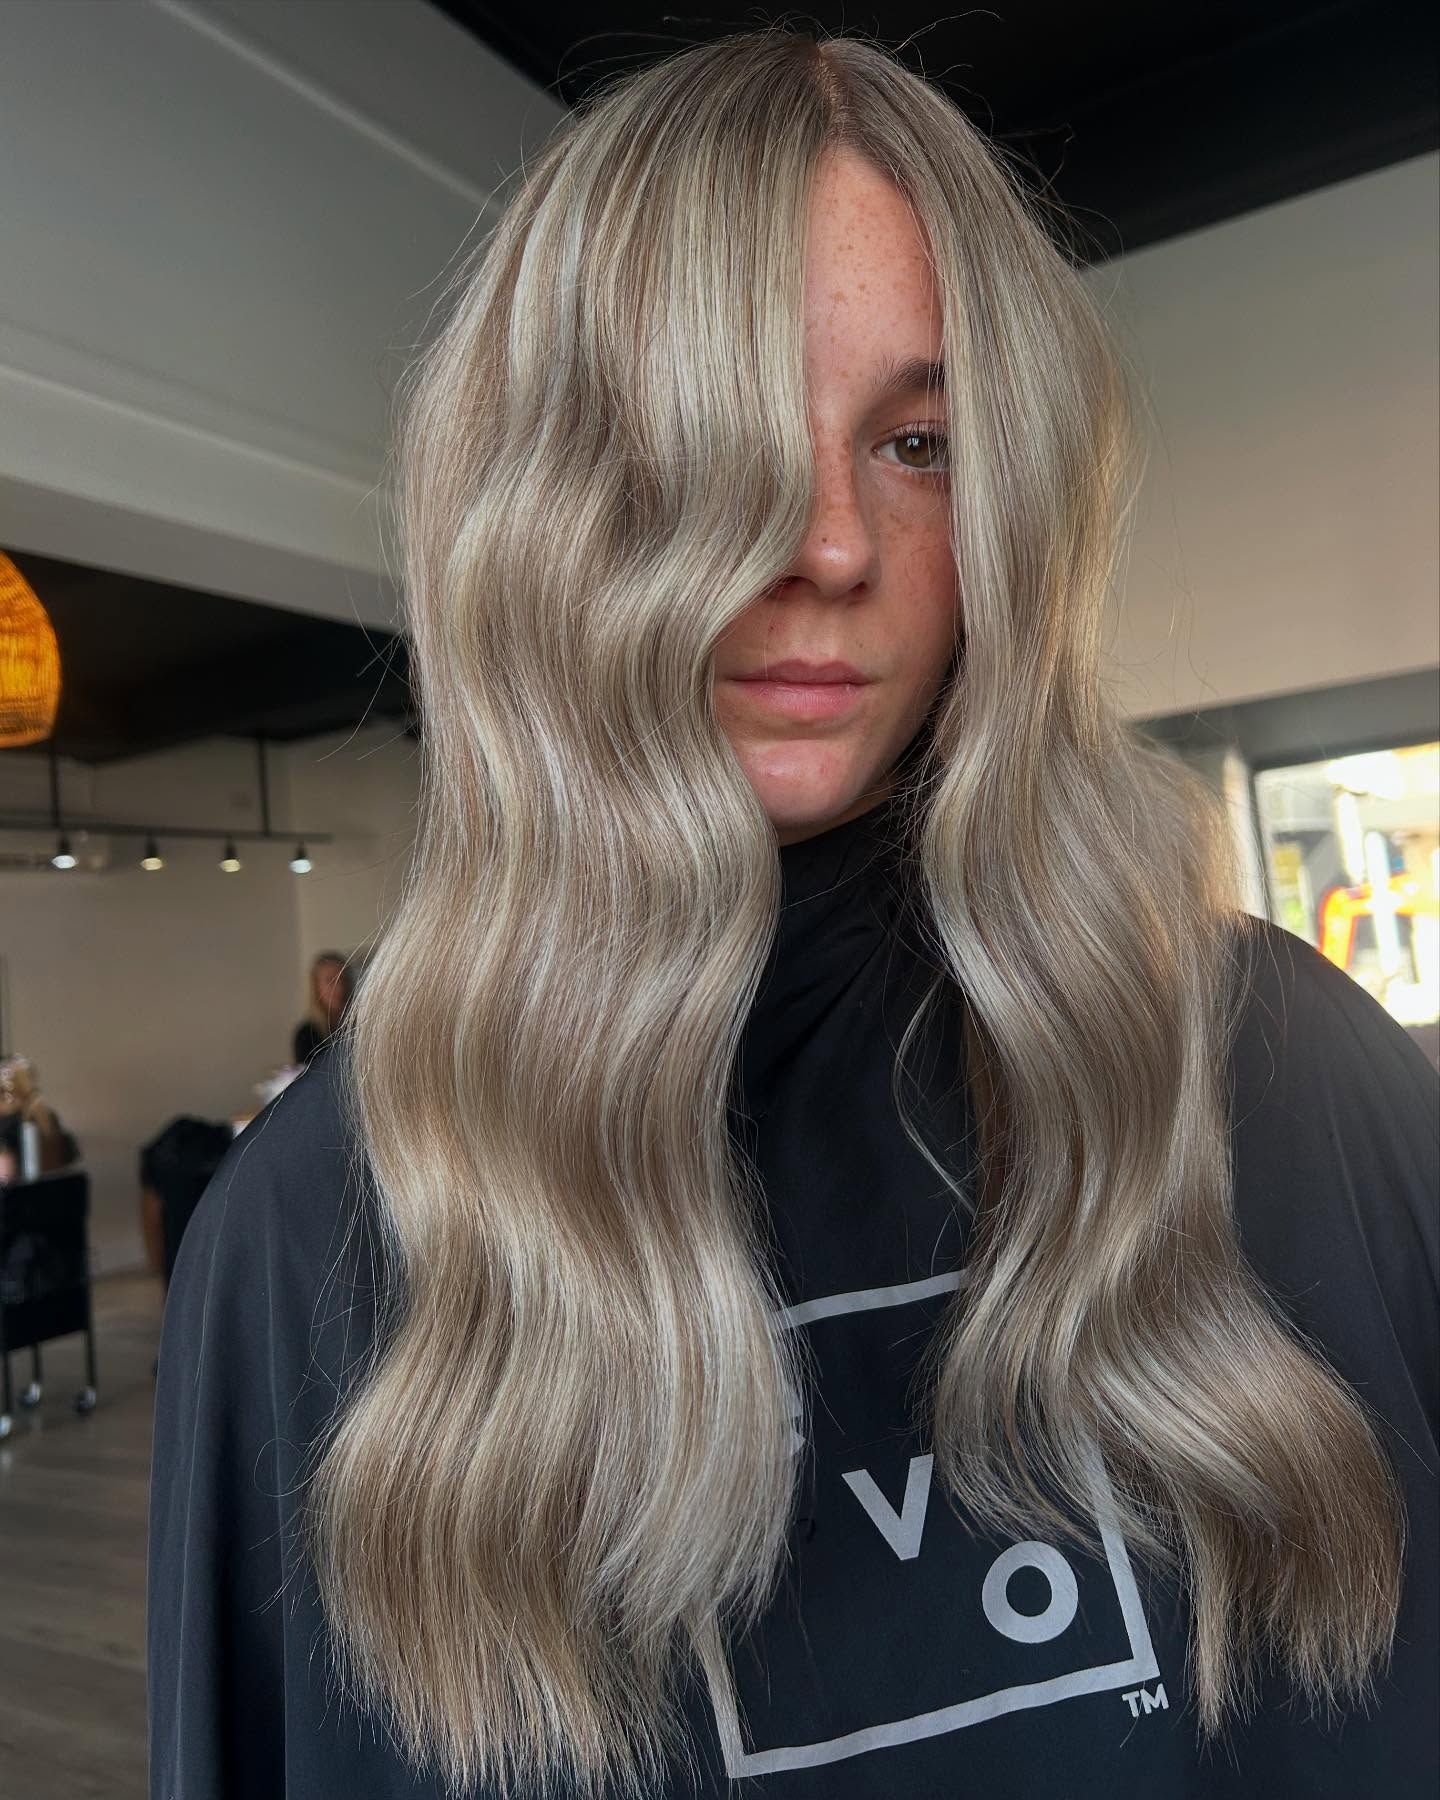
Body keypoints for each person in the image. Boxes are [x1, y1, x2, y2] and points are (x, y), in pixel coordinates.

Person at [147, 28, 1438, 1800]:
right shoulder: (325, 1236)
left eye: (916, 439)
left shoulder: (1290, 1081)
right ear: (543, 504)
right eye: (714, 431)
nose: (827, 540)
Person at [0, 1055, 79, 1182]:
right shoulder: (48, 1117)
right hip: (54, 1194)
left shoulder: (7, 1127)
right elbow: (70, 1156)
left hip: (20, 1197)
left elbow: (4, 1176)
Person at [291, 950, 351, 1065]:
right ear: (316, 987)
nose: (339, 987)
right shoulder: (306, 1035)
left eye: (342, 979)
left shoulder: (355, 1026)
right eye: (330, 980)